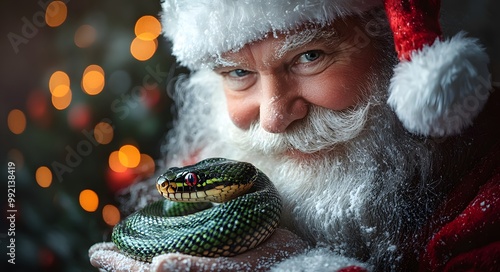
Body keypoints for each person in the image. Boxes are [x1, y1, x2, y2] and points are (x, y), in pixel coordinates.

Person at [89, 0, 500, 271]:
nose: (273, 117)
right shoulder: (205, 172)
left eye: (309, 57)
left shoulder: (486, 191)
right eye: (237, 73)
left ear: (393, 49)